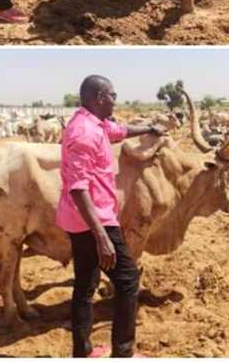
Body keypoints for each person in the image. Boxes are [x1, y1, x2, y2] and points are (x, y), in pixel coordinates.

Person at [56, 75, 164, 357]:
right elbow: (79, 189)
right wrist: (102, 237)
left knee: (85, 286)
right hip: (94, 221)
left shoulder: (95, 124)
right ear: (101, 97)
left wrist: (149, 128)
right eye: (114, 95)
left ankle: (83, 352)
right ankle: (123, 353)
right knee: (128, 281)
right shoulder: (84, 132)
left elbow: (120, 131)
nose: (117, 99)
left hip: (79, 220)